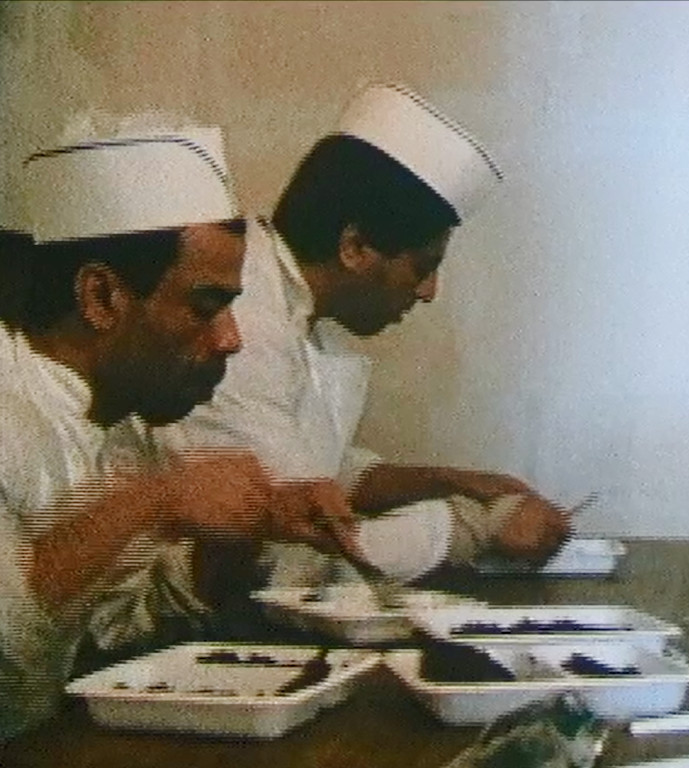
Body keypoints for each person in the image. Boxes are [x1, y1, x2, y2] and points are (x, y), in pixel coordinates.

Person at [0, 123, 363, 740]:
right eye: (205, 308)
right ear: (100, 298)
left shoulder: (123, 428)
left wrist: (238, 536)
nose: (232, 338)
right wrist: (154, 501)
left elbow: (112, 636)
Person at [158, 82, 571, 588]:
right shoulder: (245, 323)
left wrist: (450, 482)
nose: (429, 292)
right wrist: (475, 528)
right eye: (422, 267)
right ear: (353, 247)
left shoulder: (298, 307)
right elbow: (292, 554)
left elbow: (320, 469)